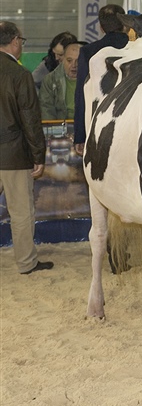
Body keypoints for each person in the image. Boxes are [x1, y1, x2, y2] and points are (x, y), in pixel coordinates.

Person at [0, 22, 53, 275]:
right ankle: (26, 263)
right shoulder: (20, 75)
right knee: (20, 212)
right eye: (21, 40)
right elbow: (30, 119)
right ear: (14, 42)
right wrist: (38, 155)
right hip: (13, 154)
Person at [73, 4, 128, 155]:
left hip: (100, 128)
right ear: (125, 24)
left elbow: (82, 94)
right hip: (135, 125)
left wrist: (80, 135)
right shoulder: (139, 49)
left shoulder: (88, 52)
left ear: (101, 27)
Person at [39, 42, 80, 120]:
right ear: (63, 60)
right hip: (59, 128)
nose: (74, 65)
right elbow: (46, 111)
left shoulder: (92, 79)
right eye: (69, 60)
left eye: (78, 61)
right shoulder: (50, 80)